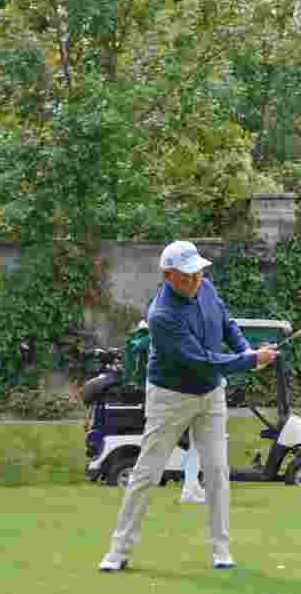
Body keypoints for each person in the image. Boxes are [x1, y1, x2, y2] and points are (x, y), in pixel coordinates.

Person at [98, 240, 277, 572]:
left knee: (217, 470)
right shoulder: (162, 315)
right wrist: (250, 361)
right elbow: (202, 360)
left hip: (210, 395)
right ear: (168, 276)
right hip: (170, 397)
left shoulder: (206, 288)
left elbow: (227, 324)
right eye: (187, 275)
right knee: (147, 472)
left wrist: (247, 350)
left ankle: (221, 549)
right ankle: (118, 550)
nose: (196, 279)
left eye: (198, 272)